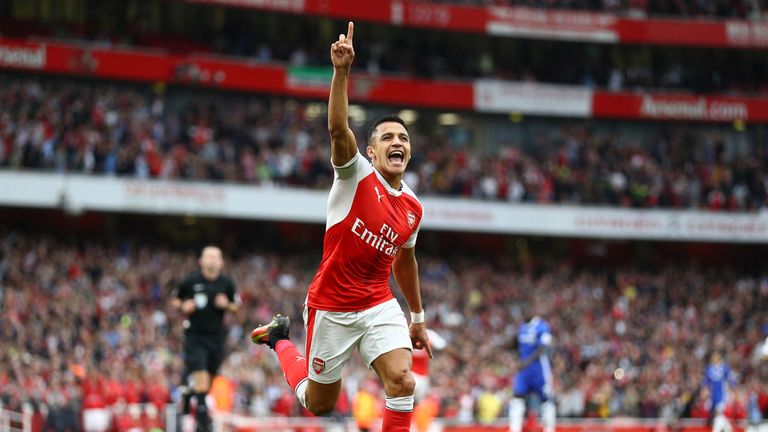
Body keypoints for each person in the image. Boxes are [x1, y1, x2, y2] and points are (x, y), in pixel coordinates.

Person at [250, 20, 432, 432]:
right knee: (319, 404)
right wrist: (341, 72)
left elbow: (406, 260)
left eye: (402, 137)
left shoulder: (414, 208)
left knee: (404, 380)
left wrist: (417, 316)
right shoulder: (355, 175)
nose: (396, 143)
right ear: (371, 150)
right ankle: (279, 338)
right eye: (386, 138)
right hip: (331, 304)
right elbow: (337, 129)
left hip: (377, 303)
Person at [172, 245, 239, 432]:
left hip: (216, 338)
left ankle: (190, 394)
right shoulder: (191, 280)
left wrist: (227, 305)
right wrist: (183, 305)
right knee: (201, 376)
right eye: (208, 256)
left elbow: (237, 306)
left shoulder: (227, 283)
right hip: (195, 336)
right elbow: (176, 299)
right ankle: (203, 426)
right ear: (201, 261)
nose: (212, 259)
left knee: (209, 381)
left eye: (216, 256)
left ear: (221, 262)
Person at [509, 306, 556, 432]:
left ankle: (549, 429)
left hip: (539, 370)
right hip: (524, 371)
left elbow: (543, 348)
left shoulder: (542, 326)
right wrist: (517, 360)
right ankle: (514, 428)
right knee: (517, 397)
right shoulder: (521, 327)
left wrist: (526, 362)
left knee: (546, 399)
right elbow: (518, 347)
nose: (524, 313)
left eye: (526, 310)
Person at [704, 351, 735, 432]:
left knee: (719, 412)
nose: (714, 358)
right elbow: (706, 382)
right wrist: (705, 390)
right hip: (712, 395)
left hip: (721, 394)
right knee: (716, 414)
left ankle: (717, 429)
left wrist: (733, 388)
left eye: (716, 356)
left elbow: (730, 379)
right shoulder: (709, 368)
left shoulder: (724, 368)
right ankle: (728, 428)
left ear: (719, 357)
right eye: (713, 357)